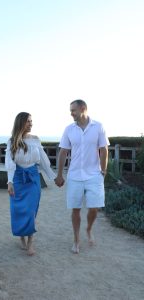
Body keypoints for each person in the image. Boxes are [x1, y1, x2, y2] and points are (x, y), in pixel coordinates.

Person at [55, 99, 109, 254]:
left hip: (94, 174)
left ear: (83, 109)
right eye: (70, 110)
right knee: (76, 209)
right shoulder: (69, 129)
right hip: (74, 175)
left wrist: (103, 171)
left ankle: (89, 228)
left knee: (94, 208)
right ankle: (76, 239)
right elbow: (63, 152)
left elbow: (104, 149)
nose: (71, 113)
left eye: (73, 110)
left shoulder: (98, 127)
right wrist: (59, 175)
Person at [5, 112, 56, 256]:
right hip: (17, 179)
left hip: (33, 178)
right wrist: (9, 181)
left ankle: (30, 243)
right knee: (19, 210)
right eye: (28, 121)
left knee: (31, 210)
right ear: (21, 123)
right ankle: (21, 237)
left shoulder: (35, 140)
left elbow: (44, 161)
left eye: (31, 121)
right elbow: (10, 162)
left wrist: (53, 177)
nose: (31, 123)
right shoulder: (12, 141)